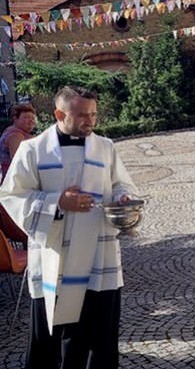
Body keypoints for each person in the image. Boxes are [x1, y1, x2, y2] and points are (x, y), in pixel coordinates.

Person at [0, 85, 138, 369]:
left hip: (100, 257)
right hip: (56, 258)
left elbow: (120, 183)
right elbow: (12, 196)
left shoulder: (105, 147)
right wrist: (58, 203)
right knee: (52, 339)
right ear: (59, 114)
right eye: (82, 115)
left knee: (98, 338)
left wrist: (123, 196)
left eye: (94, 115)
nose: (91, 121)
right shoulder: (33, 150)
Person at [0, 103, 37, 246]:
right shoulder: (16, 135)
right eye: (26, 117)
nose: (31, 121)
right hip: (19, 190)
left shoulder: (12, 132)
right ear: (15, 118)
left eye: (33, 118)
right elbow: (20, 165)